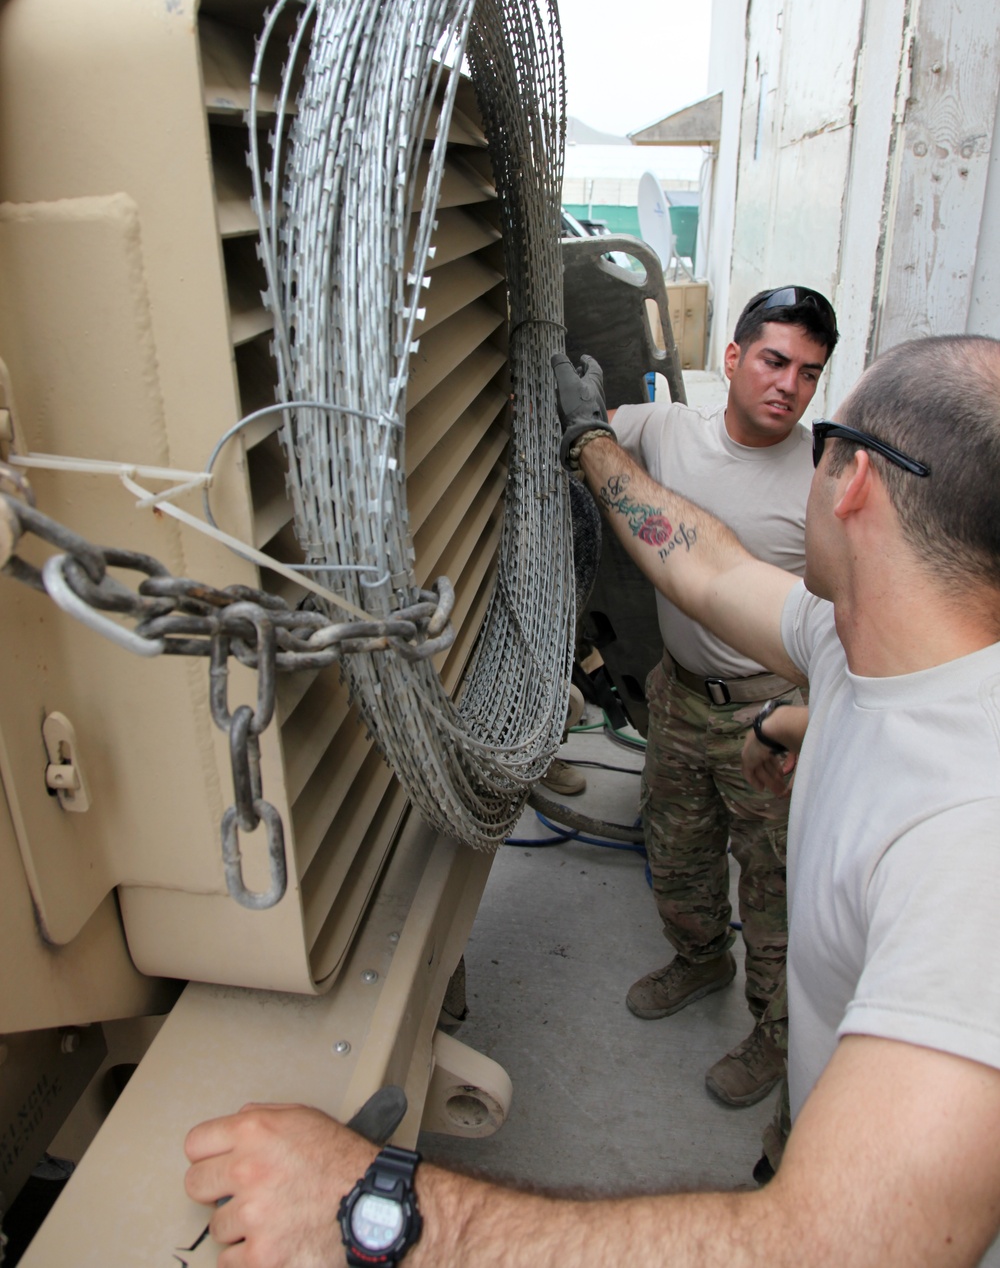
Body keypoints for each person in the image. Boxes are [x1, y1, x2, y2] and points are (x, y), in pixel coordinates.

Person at [184, 334, 1000, 1267]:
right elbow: (710, 567)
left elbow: (843, 1245)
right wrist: (589, 441)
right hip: (821, 1120)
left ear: (852, 481)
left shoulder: (974, 841)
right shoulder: (863, 637)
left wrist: (383, 1211)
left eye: (824, 440)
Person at [612, 285, 837, 1135]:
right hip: (678, 695)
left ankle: (776, 1035)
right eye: (775, 361)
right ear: (735, 359)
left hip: (768, 714)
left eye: (809, 373)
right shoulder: (669, 432)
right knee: (676, 850)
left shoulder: (825, 472)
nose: (789, 385)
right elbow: (590, 430)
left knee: (776, 885)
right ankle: (699, 959)